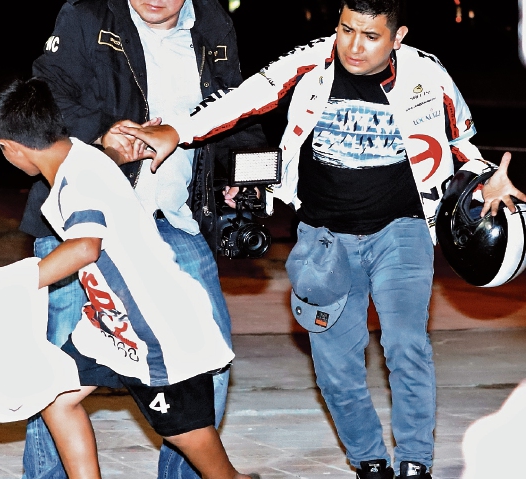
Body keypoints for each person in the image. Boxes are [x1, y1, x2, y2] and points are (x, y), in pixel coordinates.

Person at [117, 1, 526, 478]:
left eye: (370, 36)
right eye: (346, 30)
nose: (353, 46)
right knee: (336, 366)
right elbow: (243, 99)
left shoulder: (428, 76)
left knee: (406, 346)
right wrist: (178, 131)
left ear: (398, 37)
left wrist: (484, 179)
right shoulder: (310, 62)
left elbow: (461, 145)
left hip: (403, 233)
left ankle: (416, 463)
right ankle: (369, 462)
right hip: (324, 241)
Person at [21, 1, 266, 477]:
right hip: (83, 227)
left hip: (173, 222)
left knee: (208, 359)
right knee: (52, 375)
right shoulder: (86, 15)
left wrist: (242, 172)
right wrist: (101, 134)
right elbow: (44, 96)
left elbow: (236, 107)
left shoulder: (214, 22)